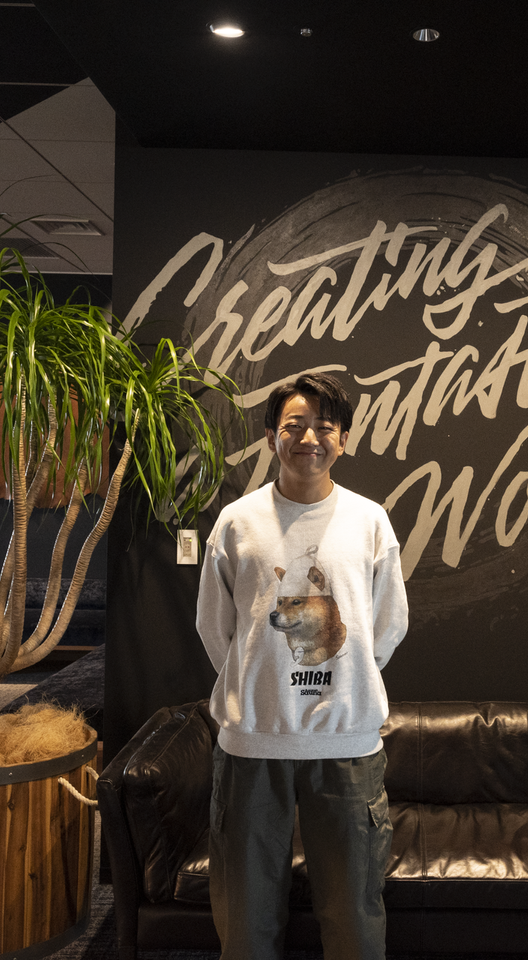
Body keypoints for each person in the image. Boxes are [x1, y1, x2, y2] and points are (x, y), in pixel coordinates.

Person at [196, 372, 409, 960]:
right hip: (252, 743)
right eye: (294, 425)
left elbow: (388, 624)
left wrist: (351, 674)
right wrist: (253, 678)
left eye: (324, 426)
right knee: (245, 922)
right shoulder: (237, 522)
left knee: (354, 918)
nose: (309, 437)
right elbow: (215, 628)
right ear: (272, 437)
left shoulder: (370, 521)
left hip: (347, 742)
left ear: (343, 439)